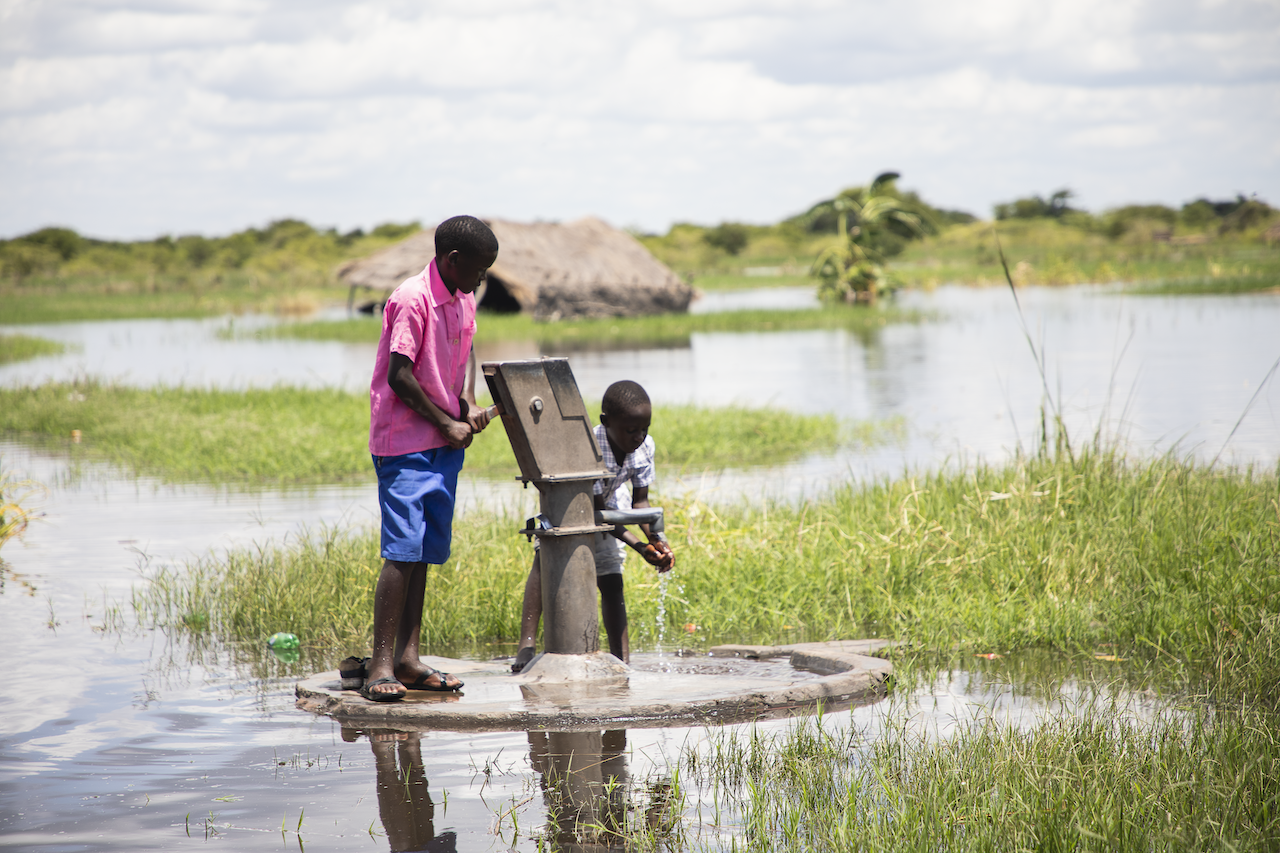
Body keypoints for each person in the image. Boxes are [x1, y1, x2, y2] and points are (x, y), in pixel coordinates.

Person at [363, 215, 498, 702]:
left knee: (423, 552)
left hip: (443, 443)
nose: (483, 280)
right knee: (402, 552)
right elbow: (400, 375)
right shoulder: (411, 299)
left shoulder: (463, 300)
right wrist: (444, 423)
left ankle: (408, 659)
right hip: (405, 443)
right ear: (453, 260)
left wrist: (464, 408)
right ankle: (380, 665)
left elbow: (463, 360)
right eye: (479, 270)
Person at [511, 380, 675, 671]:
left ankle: (622, 660)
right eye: (630, 430)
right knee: (544, 563)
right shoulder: (588, 446)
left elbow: (641, 503)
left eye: (644, 428)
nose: (639, 436)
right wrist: (639, 546)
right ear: (605, 422)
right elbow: (596, 512)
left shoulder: (645, 446)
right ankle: (526, 646)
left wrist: (657, 541)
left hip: (614, 504)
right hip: (571, 503)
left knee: (612, 580)